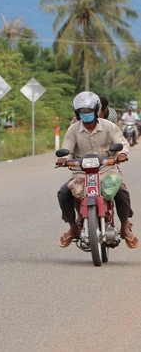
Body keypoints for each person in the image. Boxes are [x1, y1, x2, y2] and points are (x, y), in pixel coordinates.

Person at [55, 91, 138, 249]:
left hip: (107, 172)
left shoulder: (109, 126)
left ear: (97, 110)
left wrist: (121, 154)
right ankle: (73, 227)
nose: (85, 115)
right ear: (77, 113)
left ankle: (124, 226)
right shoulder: (73, 130)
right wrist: (64, 159)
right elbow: (66, 149)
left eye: (88, 112)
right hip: (81, 174)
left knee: (122, 192)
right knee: (64, 193)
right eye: (82, 112)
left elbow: (123, 143)